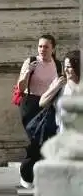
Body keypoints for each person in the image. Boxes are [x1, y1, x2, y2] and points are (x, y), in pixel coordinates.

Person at [19, 51, 80, 188]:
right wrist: (56, 87)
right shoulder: (61, 84)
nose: (66, 70)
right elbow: (42, 102)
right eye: (65, 66)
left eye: (69, 67)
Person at [15, 34, 62, 129]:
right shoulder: (31, 61)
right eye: (40, 46)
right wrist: (27, 71)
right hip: (30, 104)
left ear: (53, 49)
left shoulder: (57, 64)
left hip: (49, 103)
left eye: (46, 47)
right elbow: (21, 88)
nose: (42, 49)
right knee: (34, 136)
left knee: (46, 136)